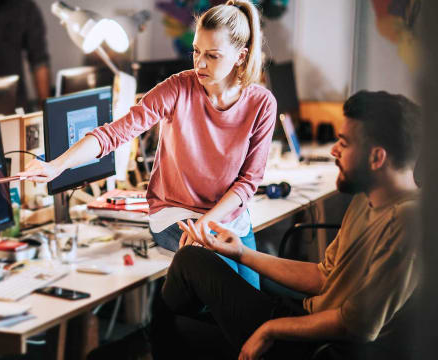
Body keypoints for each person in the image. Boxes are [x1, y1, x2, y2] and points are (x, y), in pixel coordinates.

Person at [19, 1, 276, 289]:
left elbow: (248, 182)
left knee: (253, 300)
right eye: (196, 51)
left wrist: (208, 222)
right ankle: (165, 327)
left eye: (213, 56)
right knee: (230, 288)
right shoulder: (178, 87)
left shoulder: (261, 103)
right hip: (175, 213)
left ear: (240, 57)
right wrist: (57, 166)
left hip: (227, 217)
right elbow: (113, 134)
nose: (199, 63)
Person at [153, 90, 422, 360]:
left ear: (377, 158)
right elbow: (323, 277)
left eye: (344, 142)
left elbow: (358, 325)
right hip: (311, 315)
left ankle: (168, 334)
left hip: (320, 345)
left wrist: (270, 330)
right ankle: (177, 333)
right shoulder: (368, 197)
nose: (334, 150)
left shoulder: (408, 222)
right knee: (187, 292)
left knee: (187, 266)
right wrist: (241, 253)